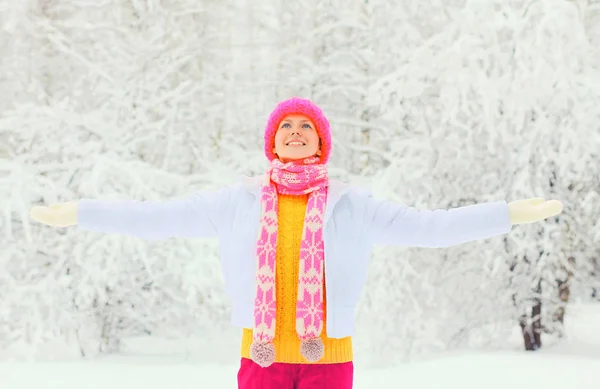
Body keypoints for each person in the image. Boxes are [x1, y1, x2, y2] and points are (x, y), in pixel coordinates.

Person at [30, 97, 563, 389]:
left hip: (328, 359)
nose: (293, 132)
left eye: (305, 127)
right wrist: (81, 212)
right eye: (285, 126)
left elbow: (429, 229)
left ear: (320, 141)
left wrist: (508, 214)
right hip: (260, 357)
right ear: (272, 141)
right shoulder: (237, 202)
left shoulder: (352, 206)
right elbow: (154, 218)